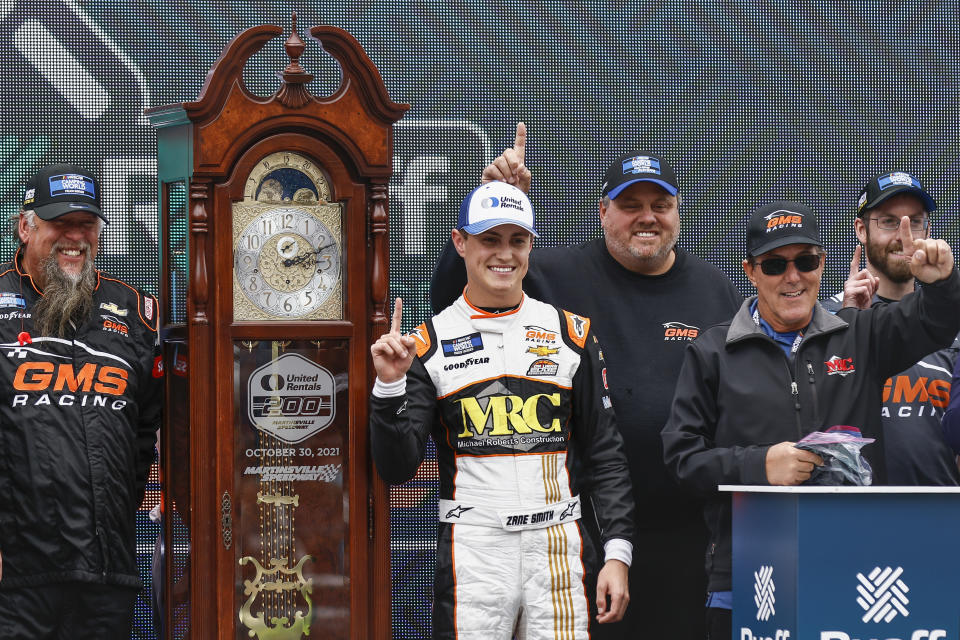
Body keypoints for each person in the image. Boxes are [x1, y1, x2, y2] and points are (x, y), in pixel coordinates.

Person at [431, 124, 743, 638]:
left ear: (678, 213)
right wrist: (496, 202)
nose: (647, 216)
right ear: (603, 213)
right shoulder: (554, 274)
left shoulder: (716, 291)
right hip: (581, 533)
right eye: (630, 204)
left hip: (687, 534)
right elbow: (454, 299)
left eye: (660, 205)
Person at [661, 200, 960, 640]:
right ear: (750, 271)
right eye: (775, 264)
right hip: (748, 573)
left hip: (852, 567)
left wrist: (942, 283)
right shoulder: (713, 351)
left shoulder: (861, 333)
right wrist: (760, 466)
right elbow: (680, 458)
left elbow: (936, 321)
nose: (793, 276)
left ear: (822, 262)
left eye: (806, 260)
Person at [370, 181, 635, 639]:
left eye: (517, 240)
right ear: (460, 243)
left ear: (532, 243)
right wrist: (389, 385)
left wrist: (617, 553)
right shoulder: (427, 345)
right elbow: (397, 467)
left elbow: (605, 453)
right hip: (476, 551)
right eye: (490, 239)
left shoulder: (571, 335)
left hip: (558, 547)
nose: (504, 255)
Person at [0, 164, 162, 638]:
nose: (75, 237)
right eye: (59, 222)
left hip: (105, 572)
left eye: (86, 223)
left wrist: (117, 513)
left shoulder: (135, 312)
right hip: (17, 578)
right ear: (26, 226)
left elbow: (144, 432)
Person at [822, 172, 959, 485]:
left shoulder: (952, 322)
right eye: (888, 221)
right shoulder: (823, 320)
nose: (903, 234)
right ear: (861, 229)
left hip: (939, 518)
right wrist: (849, 323)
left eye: (915, 221)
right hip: (851, 517)